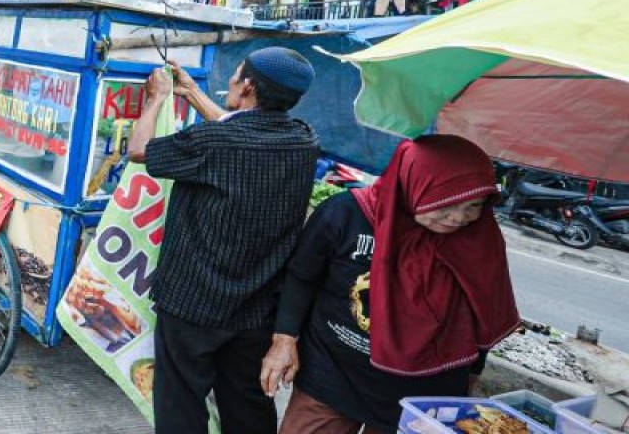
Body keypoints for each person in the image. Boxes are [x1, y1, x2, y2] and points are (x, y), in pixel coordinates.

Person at [261, 135, 519, 433]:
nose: (459, 218)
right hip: (333, 372)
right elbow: (301, 277)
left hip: (421, 391)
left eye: (473, 205)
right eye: (446, 204)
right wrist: (283, 341)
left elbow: (481, 310)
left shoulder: (476, 240)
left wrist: (471, 374)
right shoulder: (346, 214)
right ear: (413, 185)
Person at [127, 47, 320, 434]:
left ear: (247, 85)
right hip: (255, 308)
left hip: (191, 307)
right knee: (247, 408)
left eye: (236, 75)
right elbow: (240, 132)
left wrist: (157, 98)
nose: (230, 82)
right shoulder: (303, 141)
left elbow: (138, 150)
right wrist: (193, 94)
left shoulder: (213, 142)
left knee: (180, 405)